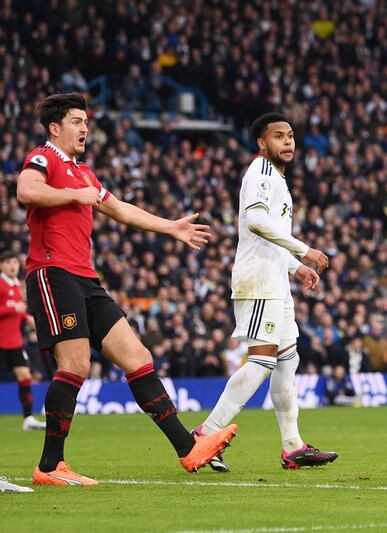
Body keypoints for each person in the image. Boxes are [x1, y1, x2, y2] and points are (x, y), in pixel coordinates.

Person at [16, 93, 237, 486]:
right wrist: (72, 195)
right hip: (52, 273)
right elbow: (26, 190)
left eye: (86, 121)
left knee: (137, 356)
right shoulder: (43, 158)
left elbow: (119, 209)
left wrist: (171, 226)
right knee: (76, 365)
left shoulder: (84, 173)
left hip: (86, 278)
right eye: (76, 121)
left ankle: (188, 449)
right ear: (55, 128)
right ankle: (49, 466)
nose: (85, 128)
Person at [192, 112, 338, 472]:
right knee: (262, 362)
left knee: (288, 359)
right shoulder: (260, 173)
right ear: (262, 143)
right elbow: (256, 223)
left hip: (275, 280)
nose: (287, 142)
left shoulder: (277, 178)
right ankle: (205, 435)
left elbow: (269, 235)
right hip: (258, 282)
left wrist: (295, 266)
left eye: (290, 136)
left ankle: (293, 446)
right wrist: (304, 250)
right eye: (278, 136)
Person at [0, 250, 46, 431]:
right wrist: (13, 310)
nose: (13, 266)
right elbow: (11, 309)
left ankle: (28, 418)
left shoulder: (16, 285)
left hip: (13, 341)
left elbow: (17, 311)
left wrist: (26, 318)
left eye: (15, 263)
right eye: (9, 263)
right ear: (1, 265)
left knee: (25, 376)